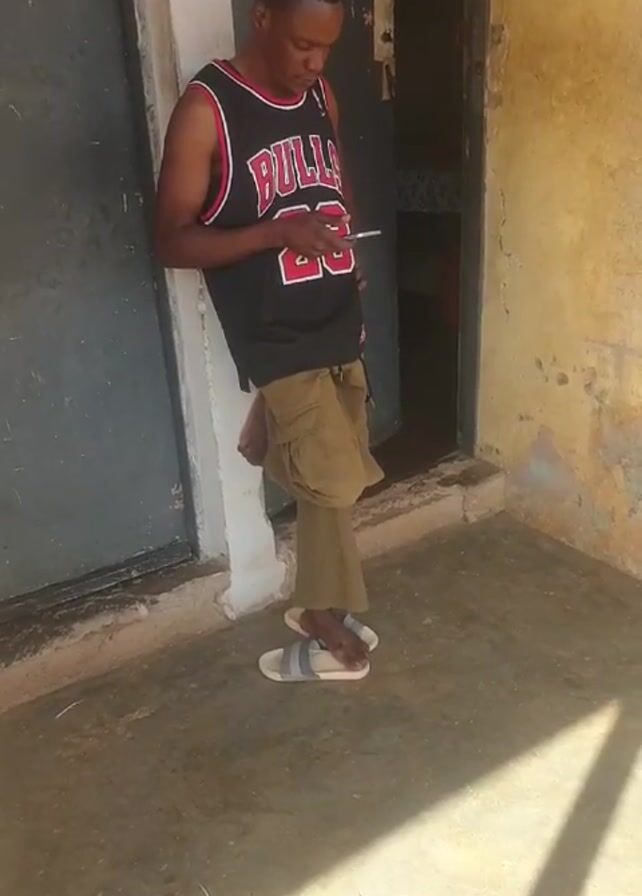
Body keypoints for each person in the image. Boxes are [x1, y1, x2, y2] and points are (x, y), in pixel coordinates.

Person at [155, 0, 384, 681]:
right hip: (276, 332)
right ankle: (323, 619)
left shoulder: (319, 95)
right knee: (334, 480)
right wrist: (277, 233)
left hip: (336, 315)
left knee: (336, 464)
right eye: (302, 45)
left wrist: (347, 244)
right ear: (262, 18)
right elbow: (171, 241)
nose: (315, 62)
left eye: (327, 48)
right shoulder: (209, 108)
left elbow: (334, 184)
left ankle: (272, 424)